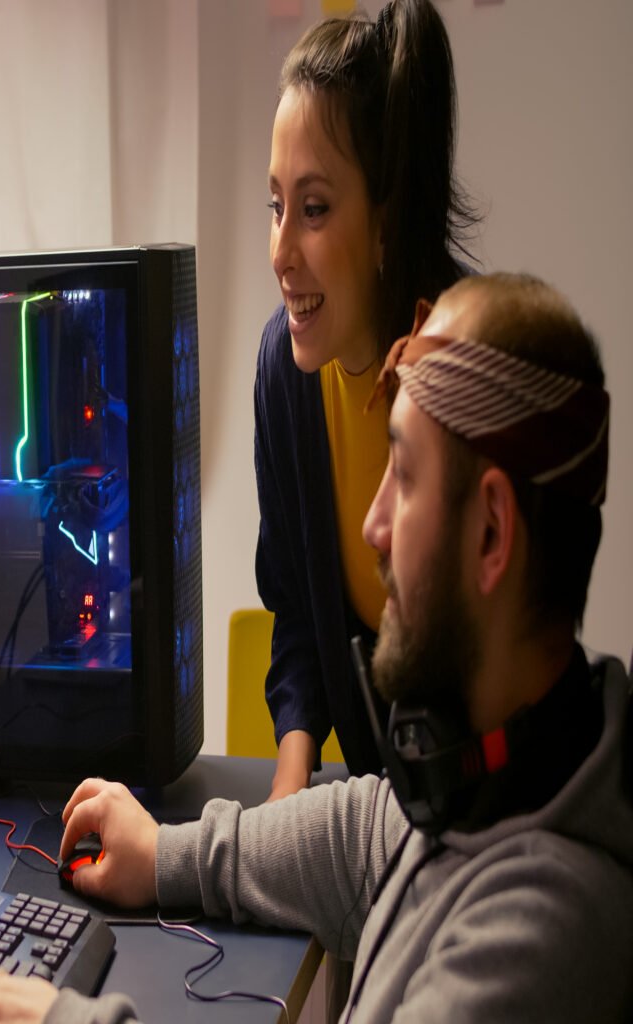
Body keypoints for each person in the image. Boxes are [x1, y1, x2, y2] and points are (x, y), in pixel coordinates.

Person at [0, 272, 633, 1023]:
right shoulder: (505, 776)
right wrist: (166, 855)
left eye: (405, 474)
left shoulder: (541, 937)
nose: (373, 523)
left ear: (491, 531)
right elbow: (365, 833)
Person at [256, 0, 478, 801]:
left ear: (385, 221)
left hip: (475, 818)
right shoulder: (283, 376)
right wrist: (289, 784)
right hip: (370, 809)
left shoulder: (464, 368)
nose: (281, 253)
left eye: (313, 210)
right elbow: (295, 612)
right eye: (275, 206)